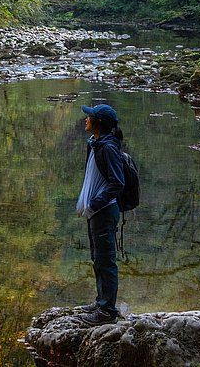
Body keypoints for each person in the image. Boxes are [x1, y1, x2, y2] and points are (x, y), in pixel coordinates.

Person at [75, 103, 125, 325]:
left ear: (99, 123)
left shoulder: (108, 148)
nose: (86, 119)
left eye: (90, 117)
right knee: (98, 258)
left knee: (106, 261)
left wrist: (95, 203)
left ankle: (107, 312)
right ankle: (101, 301)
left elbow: (117, 183)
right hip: (97, 212)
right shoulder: (96, 143)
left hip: (104, 211)